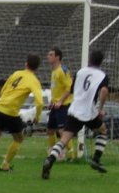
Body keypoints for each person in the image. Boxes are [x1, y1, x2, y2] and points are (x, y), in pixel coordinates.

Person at [42, 50, 109, 180]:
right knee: (103, 130)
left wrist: (61, 101)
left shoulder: (80, 72)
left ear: (89, 59)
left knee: (64, 139)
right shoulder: (102, 75)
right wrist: (100, 108)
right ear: (101, 62)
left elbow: (71, 90)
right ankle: (96, 159)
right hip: (89, 112)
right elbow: (104, 91)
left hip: (74, 109)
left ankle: (50, 160)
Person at [46, 47, 75, 161]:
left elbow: (69, 88)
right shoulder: (53, 71)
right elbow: (56, 89)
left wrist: (60, 101)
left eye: (51, 54)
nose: (48, 57)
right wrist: (52, 102)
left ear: (57, 57)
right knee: (50, 130)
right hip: (55, 105)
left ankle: (71, 155)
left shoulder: (63, 70)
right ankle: (53, 152)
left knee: (63, 131)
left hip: (63, 105)